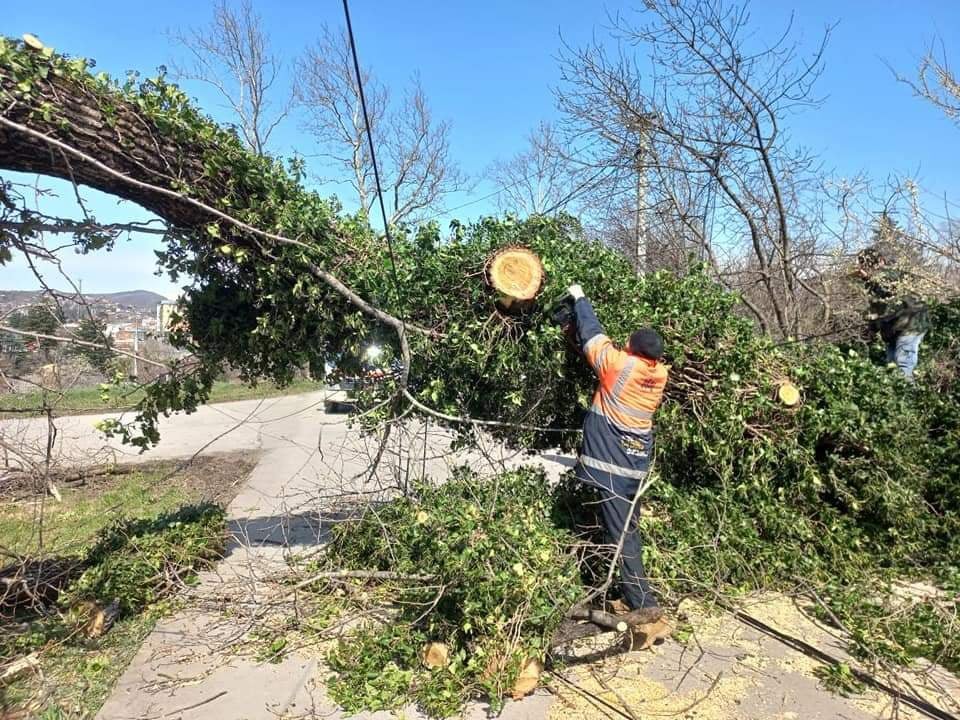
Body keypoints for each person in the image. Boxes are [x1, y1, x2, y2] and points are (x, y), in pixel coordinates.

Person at [567, 283, 668, 630]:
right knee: (627, 530)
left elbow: (593, 337)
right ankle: (620, 591)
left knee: (622, 536)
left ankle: (645, 607)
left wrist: (580, 297)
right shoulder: (657, 374)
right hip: (634, 468)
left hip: (612, 468)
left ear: (633, 350)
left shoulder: (619, 367)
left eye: (628, 343)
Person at [856, 249, 929, 382]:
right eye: (864, 264)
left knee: (903, 366)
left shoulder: (892, 274)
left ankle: (909, 400)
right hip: (892, 329)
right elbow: (877, 307)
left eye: (869, 264)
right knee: (892, 367)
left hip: (909, 325)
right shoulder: (872, 283)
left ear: (881, 261)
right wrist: (872, 328)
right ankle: (898, 400)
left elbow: (888, 292)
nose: (866, 268)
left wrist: (869, 279)